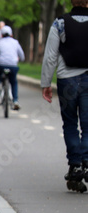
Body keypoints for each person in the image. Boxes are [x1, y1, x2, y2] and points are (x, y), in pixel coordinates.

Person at [41, 0, 88, 193]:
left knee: (70, 123)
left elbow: (51, 55)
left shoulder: (60, 23)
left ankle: (75, 163)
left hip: (67, 80)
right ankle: (86, 158)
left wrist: (46, 83)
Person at [0, 25, 25, 110]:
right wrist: (20, 59)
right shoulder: (15, 42)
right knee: (13, 82)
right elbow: (22, 55)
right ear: (11, 34)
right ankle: (15, 100)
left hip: (1, 65)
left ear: (1, 35)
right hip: (13, 65)